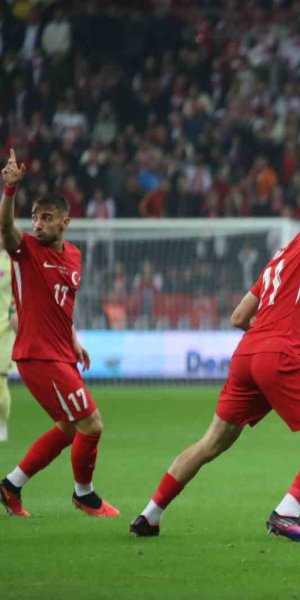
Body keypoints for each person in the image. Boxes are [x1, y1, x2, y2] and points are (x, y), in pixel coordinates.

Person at [129, 181, 300, 542]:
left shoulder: (278, 262)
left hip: (248, 354)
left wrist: (267, 334)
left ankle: (150, 515)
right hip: (279, 354)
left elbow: (239, 317)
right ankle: (286, 513)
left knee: (210, 444)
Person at [0, 149, 119, 517]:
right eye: (35, 218)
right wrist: (9, 191)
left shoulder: (75, 257)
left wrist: (74, 341)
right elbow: (5, 228)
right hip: (38, 355)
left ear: (64, 223)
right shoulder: (26, 250)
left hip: (60, 352)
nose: (37, 224)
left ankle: (10, 486)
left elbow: (61, 308)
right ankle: (84, 494)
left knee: (69, 427)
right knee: (91, 424)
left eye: (46, 218)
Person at [0, 242, 17, 442]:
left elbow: (20, 290)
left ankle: (2, 423)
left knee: (0, 380)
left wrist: (18, 313)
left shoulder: (12, 261)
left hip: (4, 327)